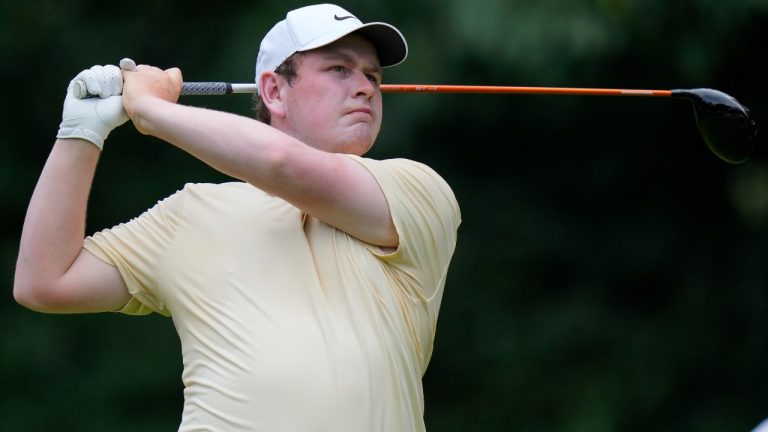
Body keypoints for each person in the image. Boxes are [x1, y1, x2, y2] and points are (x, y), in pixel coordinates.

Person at [13, 4, 460, 431]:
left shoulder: (416, 190)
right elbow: (45, 281)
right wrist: (81, 131)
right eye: (339, 69)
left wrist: (150, 108)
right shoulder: (191, 213)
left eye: (372, 75)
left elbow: (281, 163)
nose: (364, 87)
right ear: (273, 91)